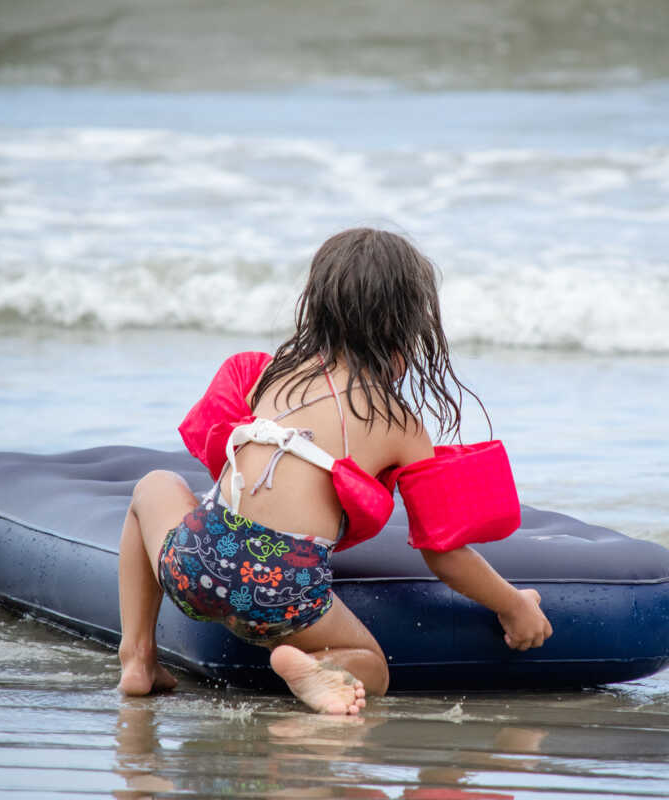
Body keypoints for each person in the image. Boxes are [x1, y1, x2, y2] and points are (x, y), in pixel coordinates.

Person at [116, 228, 553, 714]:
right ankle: (322, 670)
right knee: (372, 665)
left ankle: (137, 658)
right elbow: (443, 553)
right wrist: (513, 606)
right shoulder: (399, 424)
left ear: (318, 303)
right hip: (284, 591)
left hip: (198, 560)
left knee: (154, 485)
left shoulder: (269, 372)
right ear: (408, 324)